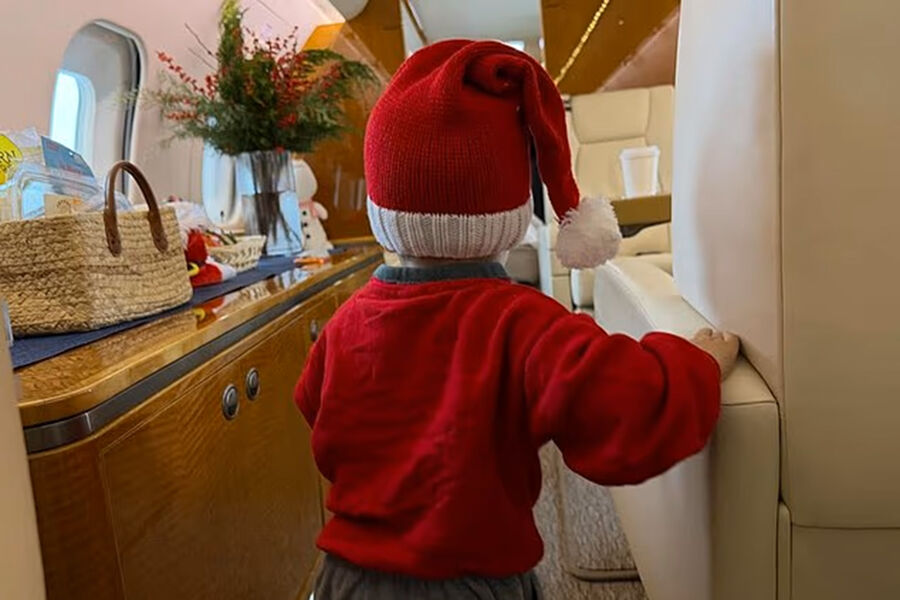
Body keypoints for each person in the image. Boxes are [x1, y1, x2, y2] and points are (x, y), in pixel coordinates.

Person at [295, 39, 739, 600]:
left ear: (382, 210)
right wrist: (696, 362)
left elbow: (314, 404)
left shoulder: (347, 322)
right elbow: (626, 405)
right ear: (509, 209)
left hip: (344, 579)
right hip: (469, 581)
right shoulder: (523, 323)